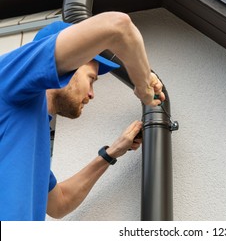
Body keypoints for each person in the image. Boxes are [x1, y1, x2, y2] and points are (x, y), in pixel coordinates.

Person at [0, 12, 165, 221]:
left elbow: (60, 203)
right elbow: (118, 25)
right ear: (68, 66)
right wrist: (143, 83)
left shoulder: (33, 127)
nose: (91, 94)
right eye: (91, 79)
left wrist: (111, 153)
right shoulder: (9, 77)